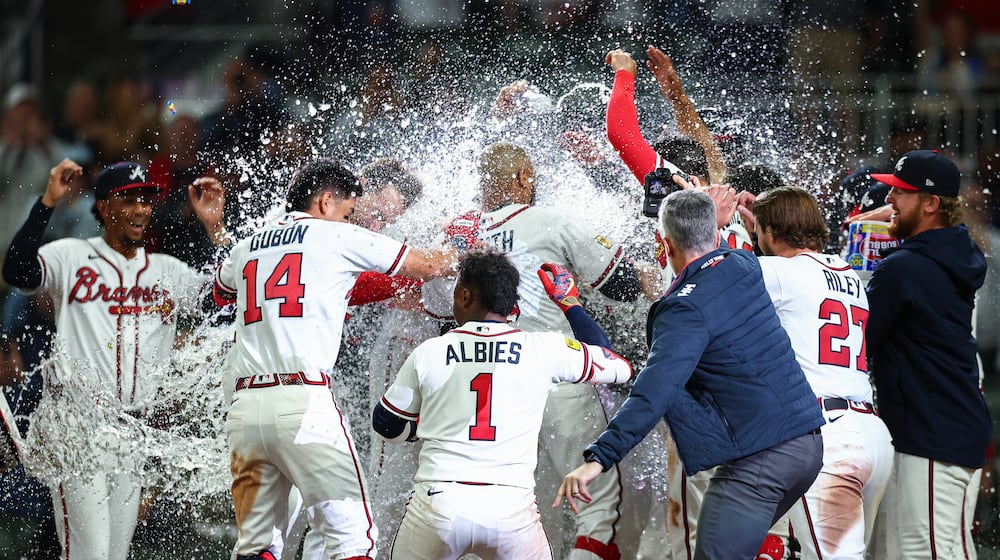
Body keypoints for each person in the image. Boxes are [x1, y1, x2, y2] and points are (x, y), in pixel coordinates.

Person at [556, 189, 825, 559]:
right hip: (807, 446)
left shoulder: (684, 309)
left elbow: (653, 391)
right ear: (717, 235)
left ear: (664, 244)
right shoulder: (743, 265)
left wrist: (598, 459)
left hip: (761, 457)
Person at [212, 160, 456, 560]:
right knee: (355, 541)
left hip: (244, 408)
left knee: (257, 548)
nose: (353, 220)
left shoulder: (249, 244)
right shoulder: (338, 237)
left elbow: (219, 292)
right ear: (326, 201)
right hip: (302, 402)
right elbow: (429, 265)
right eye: (348, 212)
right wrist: (464, 251)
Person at [1, 158, 226, 560]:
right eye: (129, 199)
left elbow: (223, 303)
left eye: (146, 199)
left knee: (114, 554)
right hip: (77, 427)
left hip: (132, 434)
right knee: (91, 553)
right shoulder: (72, 256)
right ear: (104, 207)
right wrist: (47, 203)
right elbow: (17, 270)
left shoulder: (168, 271)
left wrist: (216, 232)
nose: (141, 208)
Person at [451, 141, 657, 560]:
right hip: (557, 379)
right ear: (524, 178)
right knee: (599, 505)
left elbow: (438, 308)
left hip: (489, 391)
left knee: (527, 511)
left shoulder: (459, 234)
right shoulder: (551, 220)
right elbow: (620, 284)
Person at [372, 250, 633, 559]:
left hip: (439, 502)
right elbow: (616, 365)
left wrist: (428, 424)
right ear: (513, 306)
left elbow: (386, 424)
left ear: (465, 295)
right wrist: (570, 304)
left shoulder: (430, 351)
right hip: (511, 509)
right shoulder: (542, 348)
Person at [744, 186, 893, 559]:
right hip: (871, 433)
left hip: (828, 438)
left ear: (771, 232)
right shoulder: (848, 272)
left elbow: (707, 271)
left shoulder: (777, 270)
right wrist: (761, 228)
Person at [865, 149, 991, 559]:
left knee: (925, 553)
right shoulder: (950, 252)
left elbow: (861, 337)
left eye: (901, 193)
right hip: (946, 423)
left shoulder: (907, 268)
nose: (889, 201)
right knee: (950, 549)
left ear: (932, 203)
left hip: (932, 431)